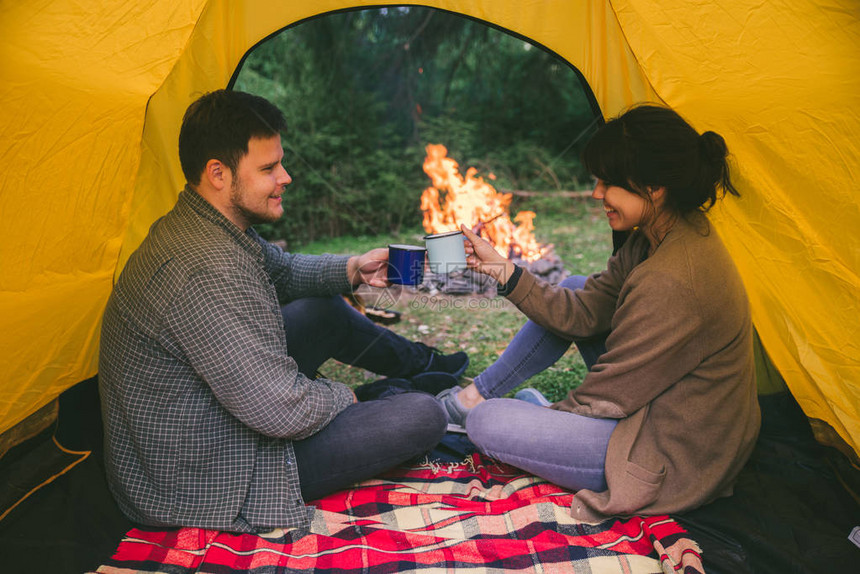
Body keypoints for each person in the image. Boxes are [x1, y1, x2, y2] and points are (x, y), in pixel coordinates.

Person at [98, 89, 463, 533]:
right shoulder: (204, 268)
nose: (285, 177)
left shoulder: (209, 222)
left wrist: (354, 269)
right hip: (203, 474)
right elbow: (280, 409)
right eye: (269, 168)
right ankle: (394, 392)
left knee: (322, 310)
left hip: (214, 412)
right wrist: (346, 396)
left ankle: (420, 366)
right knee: (423, 416)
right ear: (217, 172)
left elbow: (285, 271)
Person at [437, 104, 761, 521]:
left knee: (488, 423)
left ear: (654, 186)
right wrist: (502, 269)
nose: (595, 193)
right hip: (658, 404)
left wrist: (543, 424)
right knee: (573, 288)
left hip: (672, 453)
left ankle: (483, 409)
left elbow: (608, 396)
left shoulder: (673, 279)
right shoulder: (657, 236)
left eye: (607, 183)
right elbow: (584, 310)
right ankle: (473, 396)